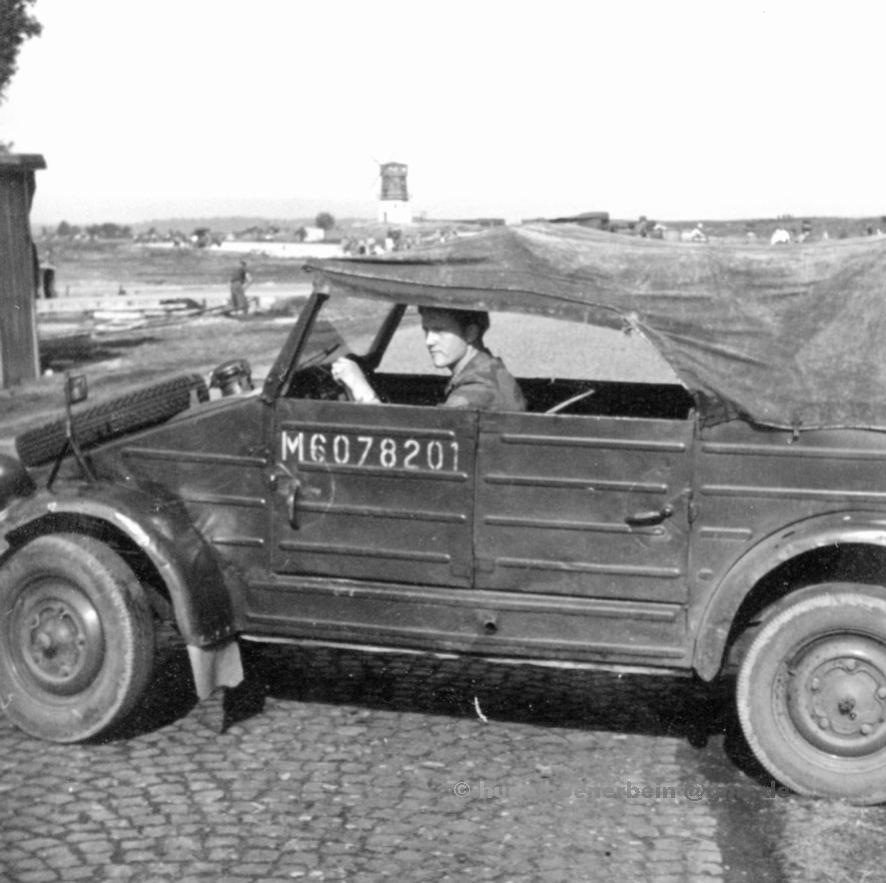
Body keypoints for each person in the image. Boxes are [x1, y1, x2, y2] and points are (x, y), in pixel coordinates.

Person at [331, 306, 526, 411]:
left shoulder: (476, 390)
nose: (429, 341)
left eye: (440, 330)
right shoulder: (486, 369)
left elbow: (416, 449)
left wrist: (361, 389)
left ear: (470, 333)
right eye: (426, 330)